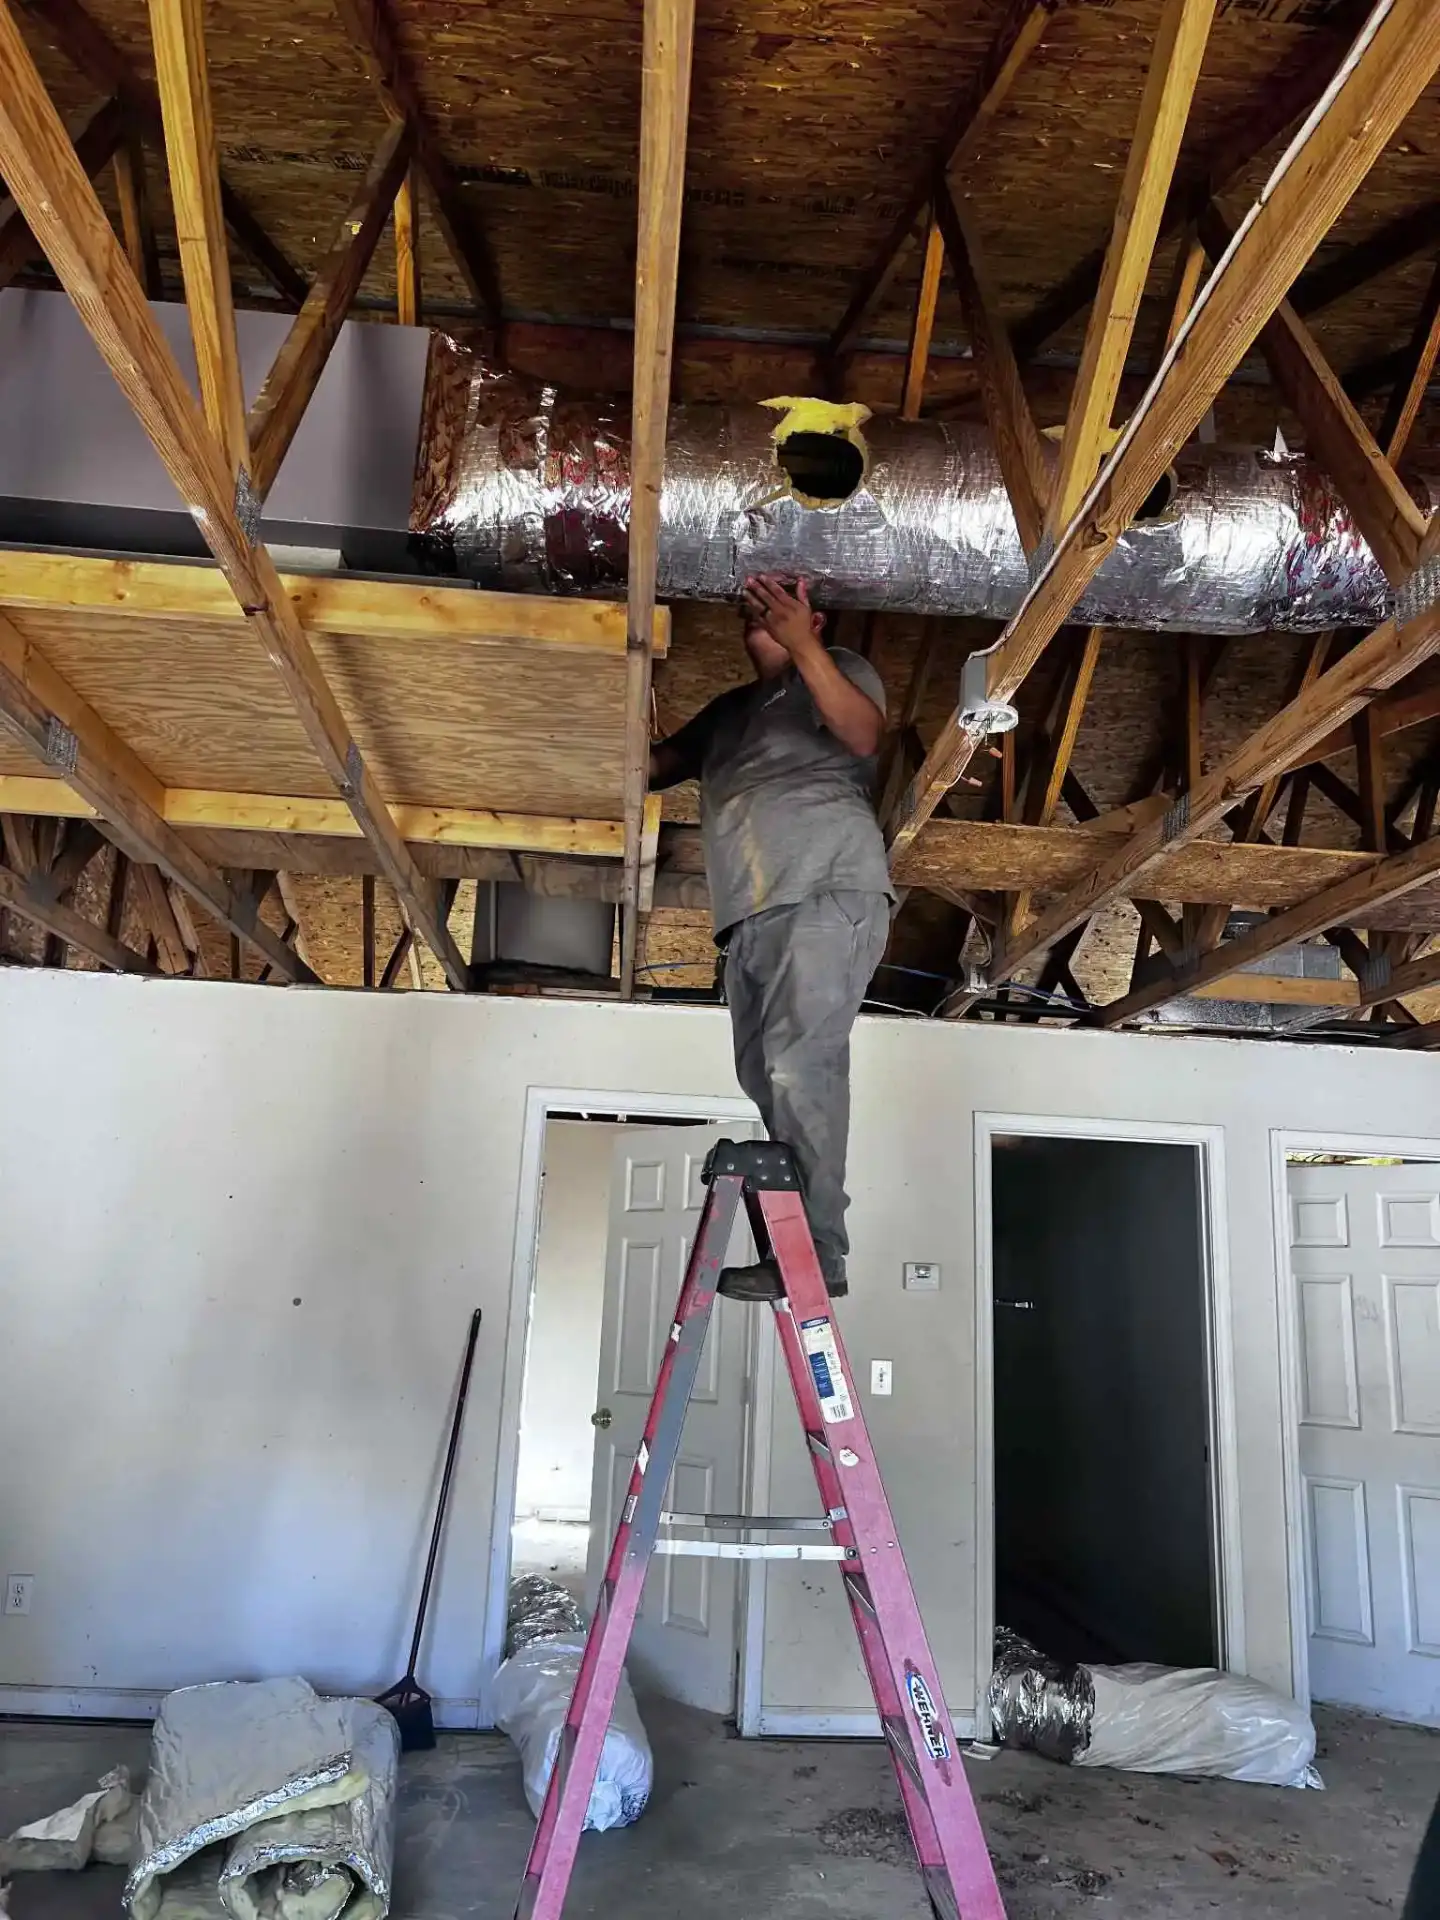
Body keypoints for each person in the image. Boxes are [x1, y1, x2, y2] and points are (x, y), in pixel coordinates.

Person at [649, 574, 893, 1300]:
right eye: (753, 612)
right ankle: (794, 1247)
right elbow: (651, 768)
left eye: (781, 611)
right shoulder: (729, 713)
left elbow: (863, 732)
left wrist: (804, 645)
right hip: (749, 916)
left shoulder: (840, 671)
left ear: (814, 620)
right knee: (765, 1075)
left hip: (824, 888)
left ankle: (819, 1261)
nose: (762, 619)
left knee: (797, 1068)